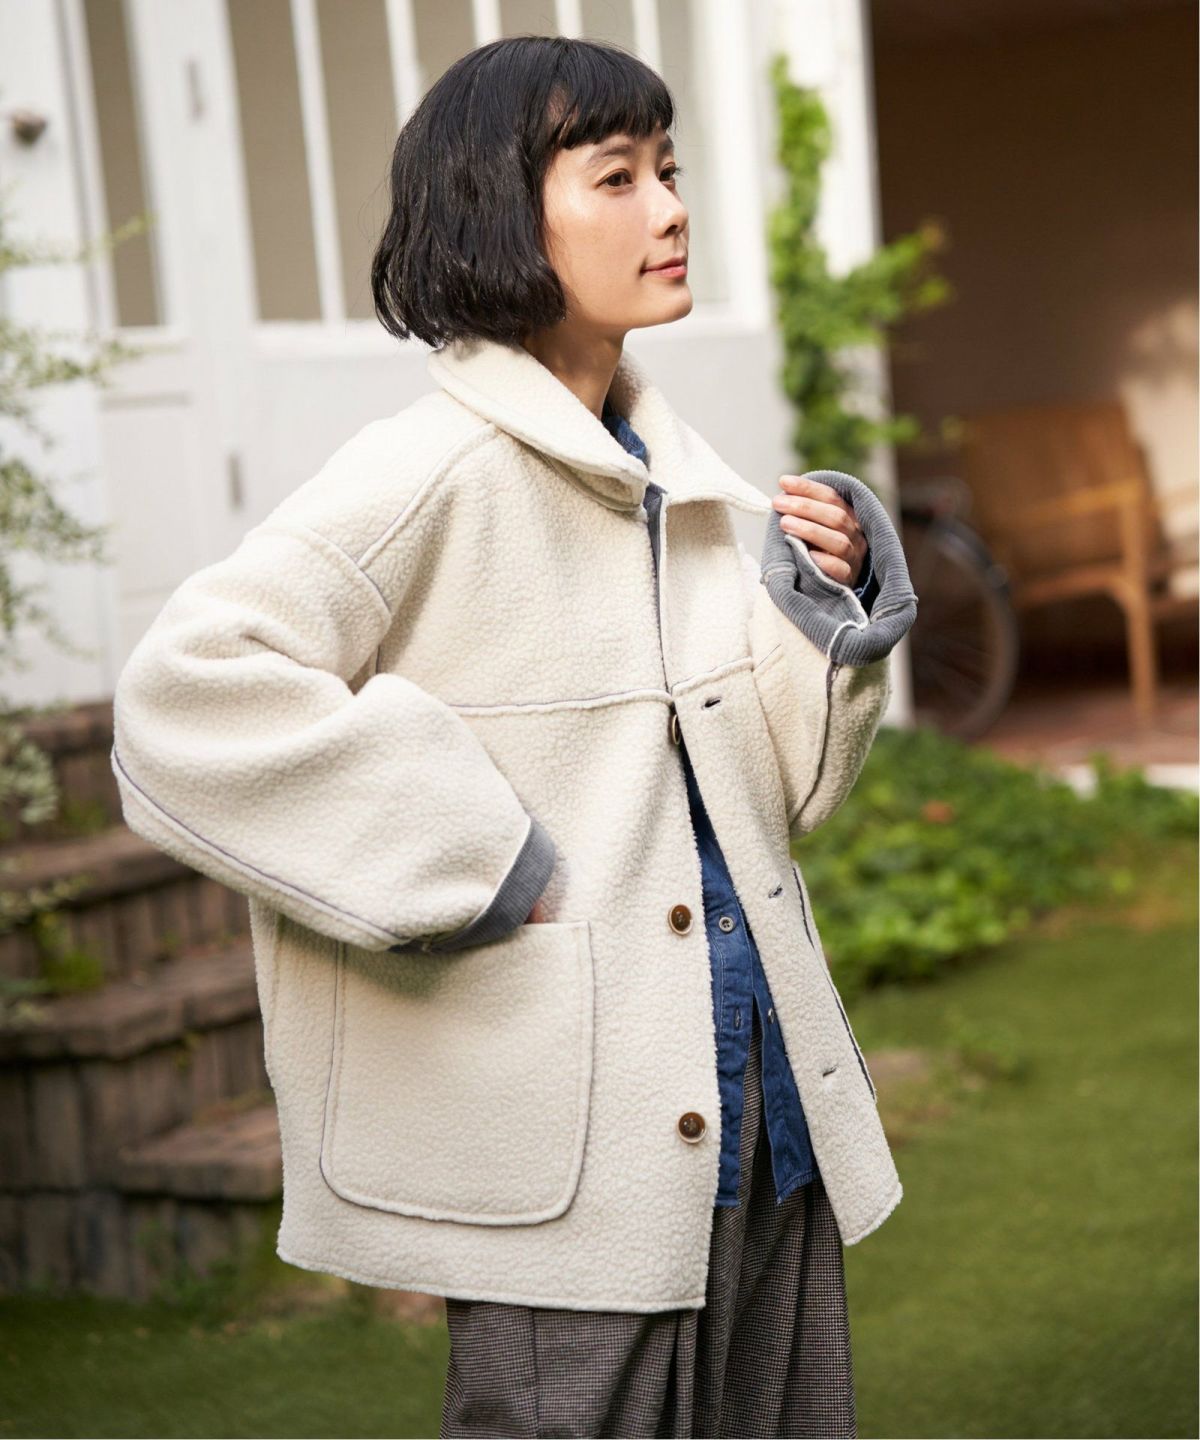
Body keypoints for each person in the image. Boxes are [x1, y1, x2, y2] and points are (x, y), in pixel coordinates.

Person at [111, 33, 918, 1440]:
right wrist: (478, 858)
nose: (671, 209)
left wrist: (822, 613)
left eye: (669, 170)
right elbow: (186, 697)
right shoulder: (427, 470)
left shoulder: (681, 479)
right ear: (500, 212)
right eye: (618, 177)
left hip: (763, 1110)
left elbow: (774, 800)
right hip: (575, 1139)